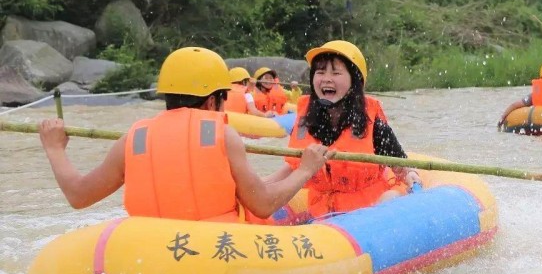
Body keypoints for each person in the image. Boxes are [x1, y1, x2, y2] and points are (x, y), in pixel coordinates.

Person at [38, 47, 331, 222]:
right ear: (211, 100)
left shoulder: (133, 137)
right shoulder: (222, 134)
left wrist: (54, 149)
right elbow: (263, 205)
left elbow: (78, 196)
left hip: (150, 251)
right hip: (213, 258)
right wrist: (305, 170)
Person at [265, 40, 422, 219]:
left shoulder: (374, 126)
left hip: (369, 211)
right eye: (320, 72)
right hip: (322, 214)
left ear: (355, 82)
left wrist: (411, 175)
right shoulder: (306, 121)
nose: (326, 78)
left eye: (336, 72)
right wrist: (258, 187)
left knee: (391, 197)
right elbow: (293, 168)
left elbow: (400, 167)